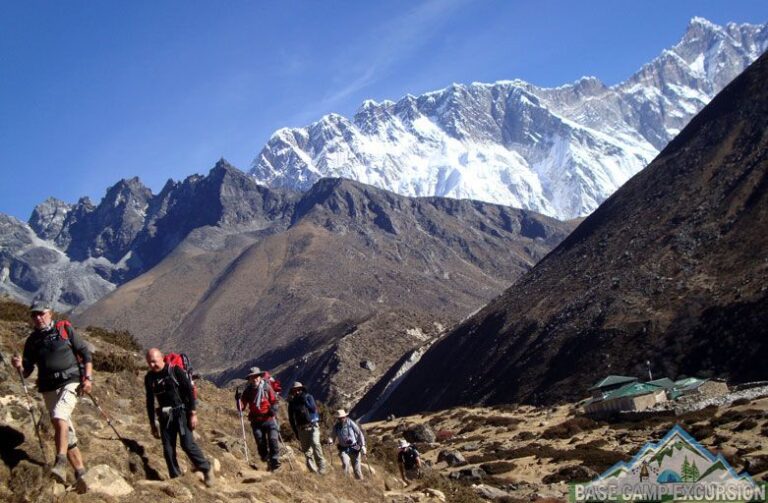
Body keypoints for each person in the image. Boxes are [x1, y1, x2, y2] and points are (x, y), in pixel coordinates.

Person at [11, 300, 92, 486]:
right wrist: (19, 366)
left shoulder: (64, 330)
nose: (38, 318)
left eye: (41, 313)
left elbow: (86, 353)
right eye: (34, 315)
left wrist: (88, 379)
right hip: (48, 388)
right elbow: (27, 372)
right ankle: (81, 474)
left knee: (58, 416)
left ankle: (60, 462)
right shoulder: (32, 341)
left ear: (50, 313)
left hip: (71, 383)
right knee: (65, 431)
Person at [144, 348, 214, 486]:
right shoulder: (149, 378)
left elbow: (189, 390)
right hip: (165, 417)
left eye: (154, 361)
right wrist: (152, 423)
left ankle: (206, 469)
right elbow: (150, 401)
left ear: (162, 358)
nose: (152, 365)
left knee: (187, 444)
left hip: (182, 413)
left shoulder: (175, 370)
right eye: (149, 363)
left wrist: (193, 413)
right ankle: (176, 479)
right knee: (168, 449)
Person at [239, 366, 280, 470]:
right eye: (252, 377)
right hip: (256, 421)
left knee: (273, 439)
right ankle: (266, 460)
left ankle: (275, 460)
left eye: (256, 376)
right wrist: (238, 400)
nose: (255, 379)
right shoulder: (248, 391)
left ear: (260, 377)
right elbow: (242, 407)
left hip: (269, 419)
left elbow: (274, 401)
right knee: (260, 442)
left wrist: (273, 409)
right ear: (249, 379)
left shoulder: (267, 387)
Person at [287, 381, 327, 474]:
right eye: (294, 390)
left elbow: (313, 409)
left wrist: (304, 400)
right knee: (307, 451)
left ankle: (322, 466)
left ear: (301, 389)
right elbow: (291, 418)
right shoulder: (292, 403)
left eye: (298, 390)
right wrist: (295, 431)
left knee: (315, 444)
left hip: (313, 426)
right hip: (301, 428)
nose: (296, 392)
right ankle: (313, 471)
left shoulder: (308, 397)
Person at [329, 409, 366, 479]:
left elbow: (359, 433)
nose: (341, 419)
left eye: (342, 417)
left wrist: (363, 446)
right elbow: (332, 436)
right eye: (339, 418)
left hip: (355, 446)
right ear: (338, 419)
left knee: (357, 469)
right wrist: (330, 441)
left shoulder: (351, 423)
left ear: (345, 416)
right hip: (343, 449)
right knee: (345, 464)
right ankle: (348, 483)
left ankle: (360, 484)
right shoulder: (336, 427)